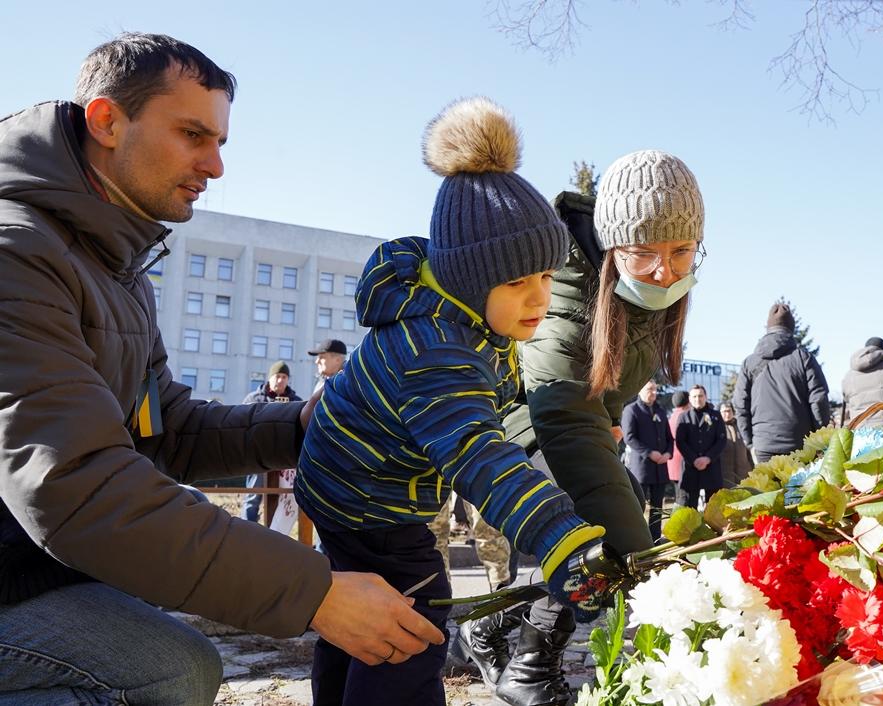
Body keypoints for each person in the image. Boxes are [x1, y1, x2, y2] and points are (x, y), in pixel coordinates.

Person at [0, 33, 442, 705]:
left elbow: (165, 431)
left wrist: (306, 424)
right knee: (169, 670)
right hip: (22, 567)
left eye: (221, 143)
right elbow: (72, 486)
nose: (215, 165)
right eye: (192, 135)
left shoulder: (117, 266)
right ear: (106, 121)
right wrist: (315, 592)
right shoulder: (17, 252)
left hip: (34, 564)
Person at [293, 97, 609, 706]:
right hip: (372, 503)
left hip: (345, 486)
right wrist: (558, 535)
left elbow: (493, 407)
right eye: (516, 282)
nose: (538, 298)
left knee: (355, 619)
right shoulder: (436, 348)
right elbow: (473, 451)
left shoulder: (459, 323)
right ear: (468, 278)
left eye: (545, 277)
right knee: (411, 627)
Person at [458, 149, 707, 706]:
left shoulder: (650, 293)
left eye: (681, 251)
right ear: (613, 243)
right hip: (512, 428)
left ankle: (495, 629)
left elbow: (602, 392)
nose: (664, 270)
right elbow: (564, 416)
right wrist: (647, 566)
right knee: (594, 537)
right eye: (644, 253)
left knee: (602, 537)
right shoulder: (564, 286)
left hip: (576, 423)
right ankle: (529, 665)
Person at [733, 302, 830, 463]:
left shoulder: (749, 363)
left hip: (763, 445)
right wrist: (820, 437)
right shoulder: (803, 358)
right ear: (791, 329)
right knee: (801, 488)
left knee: (768, 488)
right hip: (800, 444)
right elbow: (818, 400)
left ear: (768, 328)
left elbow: (740, 405)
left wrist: (750, 442)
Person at [240, 361, 303, 523]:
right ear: (270, 378)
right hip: (258, 456)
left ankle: (274, 536)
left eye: (284, 377)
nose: (280, 380)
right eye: (277, 376)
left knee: (284, 499)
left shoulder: (296, 401)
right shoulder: (254, 399)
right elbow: (240, 426)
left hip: (285, 460)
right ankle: (247, 534)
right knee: (253, 496)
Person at [621, 380, 673, 540]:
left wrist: (668, 454)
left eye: (655, 390)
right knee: (639, 506)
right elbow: (629, 437)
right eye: (650, 389)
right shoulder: (632, 410)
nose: (653, 393)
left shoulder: (660, 411)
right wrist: (649, 453)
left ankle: (654, 538)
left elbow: (670, 438)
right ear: (640, 391)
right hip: (642, 468)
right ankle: (637, 538)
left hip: (660, 468)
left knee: (658, 507)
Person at [676, 385, 727, 509]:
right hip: (690, 468)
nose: (697, 399)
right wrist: (694, 459)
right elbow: (680, 442)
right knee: (688, 508)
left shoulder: (716, 416)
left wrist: (708, 458)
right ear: (689, 398)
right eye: (694, 396)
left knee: (714, 508)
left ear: (706, 397)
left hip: (711, 466)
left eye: (700, 396)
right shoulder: (684, 417)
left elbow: (721, 440)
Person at [719, 401, 754, 487]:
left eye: (729, 411)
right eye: (724, 412)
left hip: (743, 473)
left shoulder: (741, 426)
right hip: (725, 474)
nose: (727, 414)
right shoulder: (717, 427)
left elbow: (748, 446)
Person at [667, 389, 691, 504]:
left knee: (679, 496)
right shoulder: (684, 416)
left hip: (673, 463)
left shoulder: (672, 416)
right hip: (683, 462)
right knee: (684, 498)